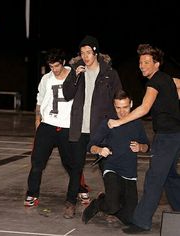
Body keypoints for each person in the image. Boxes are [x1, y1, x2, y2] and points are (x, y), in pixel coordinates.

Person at [108, 44, 180, 234]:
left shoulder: (154, 82)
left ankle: (141, 222)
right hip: (173, 136)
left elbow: (144, 108)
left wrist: (118, 122)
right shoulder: (167, 79)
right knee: (170, 177)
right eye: (140, 62)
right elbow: (178, 85)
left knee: (154, 178)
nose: (142, 65)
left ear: (156, 64)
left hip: (167, 137)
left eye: (147, 62)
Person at [62, 35, 122, 218]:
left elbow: (118, 97)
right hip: (80, 129)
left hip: (101, 129)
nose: (85, 56)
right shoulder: (76, 72)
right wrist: (74, 75)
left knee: (107, 167)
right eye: (82, 53)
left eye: (89, 52)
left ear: (96, 52)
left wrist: (117, 123)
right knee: (76, 168)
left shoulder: (109, 73)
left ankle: (114, 202)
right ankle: (70, 203)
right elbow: (66, 94)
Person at [24, 48, 79, 217]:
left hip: (68, 127)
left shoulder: (74, 75)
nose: (54, 69)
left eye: (56, 66)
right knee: (37, 163)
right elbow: (40, 100)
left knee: (70, 163)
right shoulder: (46, 79)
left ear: (63, 63)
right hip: (47, 126)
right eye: (51, 66)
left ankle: (81, 189)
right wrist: (37, 120)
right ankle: (32, 194)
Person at [82, 90, 149, 225]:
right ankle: (99, 203)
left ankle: (110, 202)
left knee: (130, 220)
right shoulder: (109, 123)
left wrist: (140, 147)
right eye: (118, 107)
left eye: (125, 107)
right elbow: (90, 146)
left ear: (131, 104)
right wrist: (100, 150)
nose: (122, 111)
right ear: (114, 106)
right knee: (113, 205)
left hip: (129, 173)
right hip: (112, 168)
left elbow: (147, 146)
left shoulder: (137, 123)